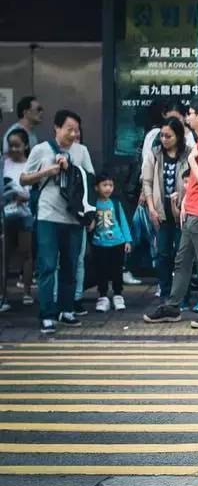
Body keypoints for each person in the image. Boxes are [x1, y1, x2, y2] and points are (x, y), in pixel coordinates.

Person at [143, 97, 198, 329]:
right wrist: (187, 204)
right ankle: (173, 306)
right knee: (182, 262)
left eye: (190, 113)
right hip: (193, 212)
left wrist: (192, 160)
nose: (187, 117)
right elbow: (195, 184)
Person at [20, 109, 95, 334]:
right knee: (48, 265)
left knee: (70, 265)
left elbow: (90, 180)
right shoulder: (41, 150)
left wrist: (91, 215)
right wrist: (47, 171)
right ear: (57, 128)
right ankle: (47, 314)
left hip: (73, 217)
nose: (73, 134)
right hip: (48, 216)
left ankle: (66, 309)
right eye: (69, 129)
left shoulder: (81, 151)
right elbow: (24, 178)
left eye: (77, 130)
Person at [140, 116, 190, 306]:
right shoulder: (155, 153)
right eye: (162, 135)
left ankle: (181, 296)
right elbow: (147, 181)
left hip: (182, 211)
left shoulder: (187, 154)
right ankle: (166, 293)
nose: (164, 139)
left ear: (178, 136)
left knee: (182, 254)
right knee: (163, 254)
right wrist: (151, 208)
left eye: (168, 136)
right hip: (160, 212)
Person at [89, 172, 132, 312]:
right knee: (101, 270)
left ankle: (118, 295)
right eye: (104, 185)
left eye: (111, 185)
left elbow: (123, 222)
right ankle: (103, 296)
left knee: (117, 270)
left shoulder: (115, 203)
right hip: (99, 243)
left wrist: (127, 240)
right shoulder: (93, 204)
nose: (108, 188)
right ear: (96, 187)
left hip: (117, 242)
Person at [2, 129, 34, 305]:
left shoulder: (30, 164)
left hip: (25, 212)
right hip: (5, 212)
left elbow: (33, 190)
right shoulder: (4, 163)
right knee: (3, 255)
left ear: (25, 146)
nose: (14, 149)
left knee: (26, 253)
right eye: (11, 145)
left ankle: (27, 291)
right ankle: (3, 295)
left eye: (17, 145)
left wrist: (24, 196)